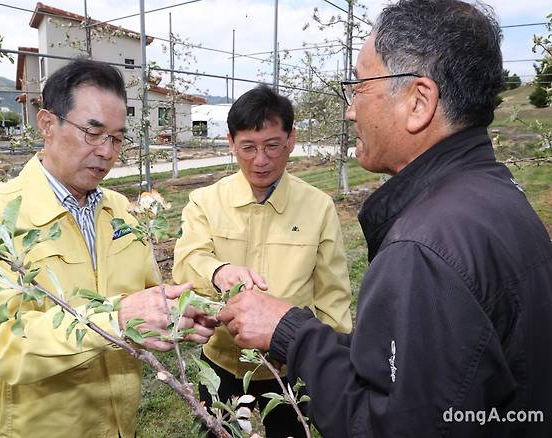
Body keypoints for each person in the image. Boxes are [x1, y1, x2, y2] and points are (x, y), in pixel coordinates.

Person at [218, 1, 552, 437]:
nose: (350, 110)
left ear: (419, 101)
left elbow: (393, 424)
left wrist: (291, 334)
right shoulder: (496, 197)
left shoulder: (424, 250)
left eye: (359, 86)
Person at [0, 59, 215, 438]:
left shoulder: (121, 211)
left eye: (117, 137)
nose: (107, 152)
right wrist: (114, 322)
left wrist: (178, 315)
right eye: (93, 133)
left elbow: (140, 298)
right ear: (47, 124)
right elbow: (4, 343)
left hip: (122, 425)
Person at [173, 85, 352, 437]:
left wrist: (334, 362)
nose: (260, 160)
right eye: (248, 148)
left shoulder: (317, 207)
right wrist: (219, 271)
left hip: (287, 367)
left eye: (272, 145)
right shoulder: (205, 202)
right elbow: (187, 260)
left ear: (291, 140)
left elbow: (333, 294)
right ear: (230, 142)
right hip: (222, 361)